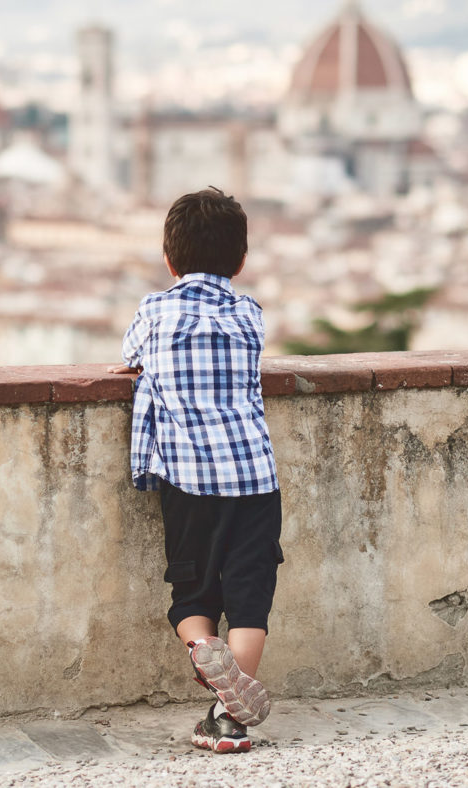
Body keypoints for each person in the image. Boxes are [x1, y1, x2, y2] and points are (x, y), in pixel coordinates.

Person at [109, 186, 282, 754]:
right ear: (241, 260)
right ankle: (227, 720)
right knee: (250, 596)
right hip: (255, 477)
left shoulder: (155, 310)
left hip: (188, 479)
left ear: (169, 259)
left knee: (192, 595)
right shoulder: (250, 313)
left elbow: (132, 356)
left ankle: (202, 650)